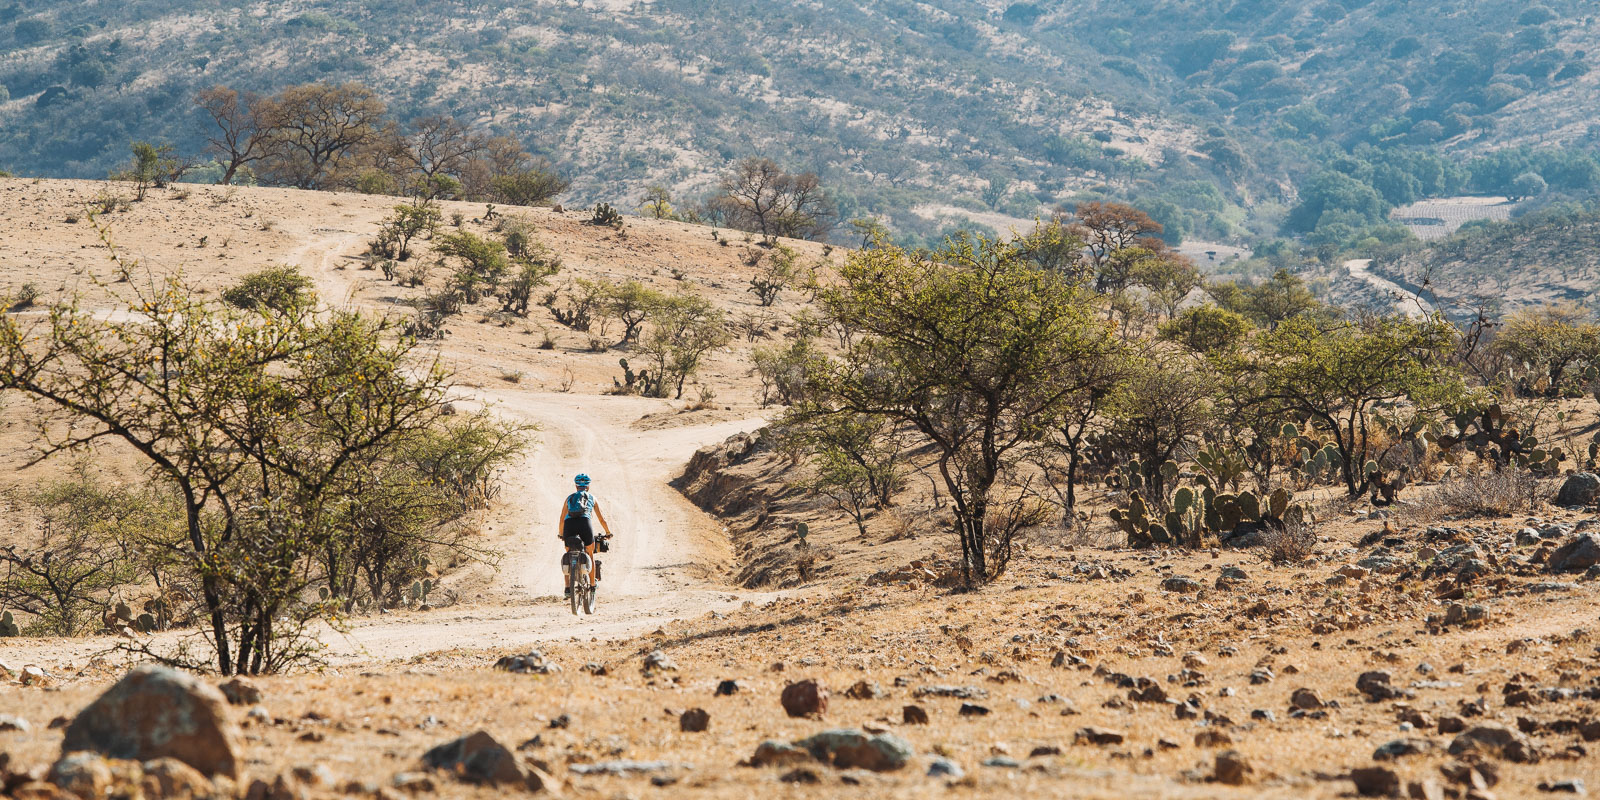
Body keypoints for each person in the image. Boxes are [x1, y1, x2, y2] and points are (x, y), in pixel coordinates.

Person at [558, 473, 612, 599]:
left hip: (569, 525)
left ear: (576, 486)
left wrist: (561, 534)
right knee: (590, 553)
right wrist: (608, 532)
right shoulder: (592, 498)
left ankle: (567, 588)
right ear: (588, 486)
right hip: (584, 523)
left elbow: (561, 519)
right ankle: (592, 585)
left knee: (568, 553)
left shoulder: (569, 498)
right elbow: (601, 519)